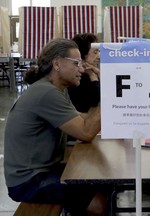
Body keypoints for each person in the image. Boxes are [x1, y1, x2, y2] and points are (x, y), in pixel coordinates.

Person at [4, 38, 107, 215]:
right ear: (57, 64)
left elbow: (81, 119)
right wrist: (109, 95)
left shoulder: (57, 89)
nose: (81, 69)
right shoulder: (47, 93)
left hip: (42, 171)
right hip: (29, 181)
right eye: (77, 63)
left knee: (99, 179)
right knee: (97, 201)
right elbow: (86, 131)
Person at [68, 33, 101, 113]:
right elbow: (97, 100)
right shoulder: (78, 77)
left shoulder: (91, 72)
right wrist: (93, 76)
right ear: (83, 53)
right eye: (95, 52)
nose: (99, 56)